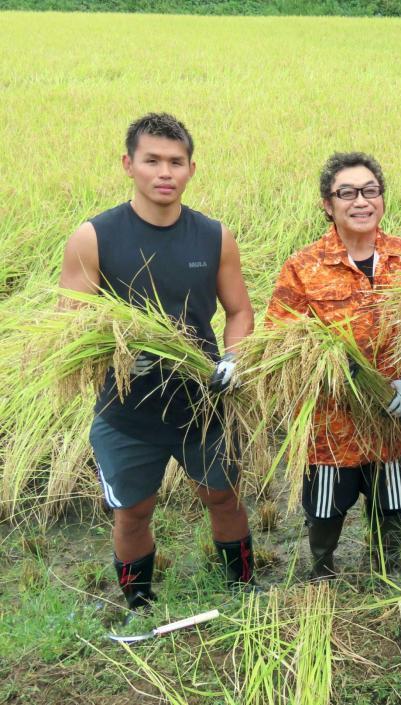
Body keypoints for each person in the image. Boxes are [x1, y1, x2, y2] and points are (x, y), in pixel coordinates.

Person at [57, 113, 257, 616]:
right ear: (129, 165)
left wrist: (233, 357)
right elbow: (71, 327)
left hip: (205, 402)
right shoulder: (94, 237)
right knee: (133, 511)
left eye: (176, 161)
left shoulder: (213, 237)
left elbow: (239, 310)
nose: (164, 172)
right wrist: (123, 351)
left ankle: (242, 587)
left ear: (191, 168)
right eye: (152, 160)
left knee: (224, 497)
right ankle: (139, 603)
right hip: (127, 411)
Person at [265, 152, 401, 580]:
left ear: (382, 198)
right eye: (347, 193)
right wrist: (338, 373)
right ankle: (321, 570)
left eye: (370, 191)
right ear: (327, 203)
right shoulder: (304, 267)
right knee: (325, 506)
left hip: (394, 416)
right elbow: (281, 342)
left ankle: (386, 569)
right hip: (328, 423)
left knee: (391, 500)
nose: (361, 201)